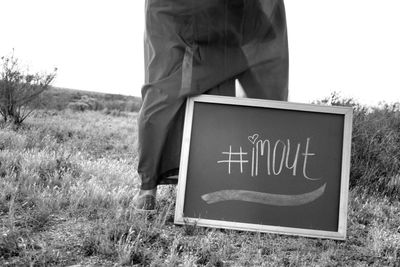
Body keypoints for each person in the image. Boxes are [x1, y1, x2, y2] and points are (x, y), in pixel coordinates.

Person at [134, 0, 289, 211]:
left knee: (167, 89)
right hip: (208, 16)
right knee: (193, 87)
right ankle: (173, 188)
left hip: (198, 15)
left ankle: (151, 191)